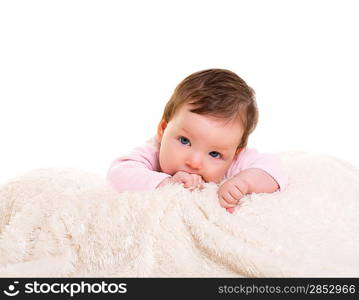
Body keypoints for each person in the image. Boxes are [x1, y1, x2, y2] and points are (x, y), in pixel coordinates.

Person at [107, 69, 288, 213]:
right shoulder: (154, 151)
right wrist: (167, 184)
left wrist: (243, 182)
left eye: (214, 154)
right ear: (163, 129)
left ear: (235, 153)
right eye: (185, 141)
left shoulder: (235, 161)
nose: (194, 162)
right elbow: (118, 172)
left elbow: (275, 171)